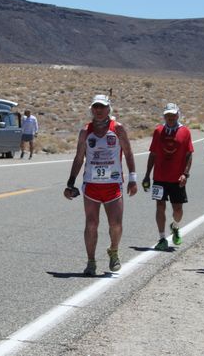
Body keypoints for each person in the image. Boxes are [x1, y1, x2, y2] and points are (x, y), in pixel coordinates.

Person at [63, 94, 138, 276]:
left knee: (115, 224)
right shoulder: (85, 132)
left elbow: (128, 153)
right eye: (95, 107)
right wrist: (70, 183)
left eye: (102, 107)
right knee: (91, 224)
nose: (98, 110)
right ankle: (91, 262)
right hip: (91, 186)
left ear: (108, 109)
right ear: (92, 109)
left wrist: (133, 178)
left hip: (113, 184)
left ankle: (113, 250)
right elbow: (79, 158)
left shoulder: (118, 129)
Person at [142, 103, 194, 251]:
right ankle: (162, 238)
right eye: (167, 115)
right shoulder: (158, 131)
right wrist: (147, 175)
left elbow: (189, 154)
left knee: (177, 210)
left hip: (177, 179)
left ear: (178, 115)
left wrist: (185, 174)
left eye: (173, 115)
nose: (170, 118)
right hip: (159, 177)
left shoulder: (185, 132)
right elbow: (153, 154)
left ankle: (175, 226)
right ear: (164, 116)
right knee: (160, 206)